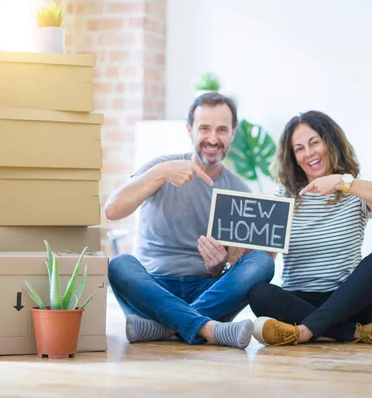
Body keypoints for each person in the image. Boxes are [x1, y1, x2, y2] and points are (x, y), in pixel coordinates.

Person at [104, 92, 275, 350]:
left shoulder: (239, 190)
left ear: (232, 133)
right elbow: (112, 210)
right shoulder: (161, 169)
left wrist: (219, 266)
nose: (213, 138)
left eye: (222, 129)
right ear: (189, 129)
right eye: (204, 128)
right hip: (154, 290)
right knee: (120, 264)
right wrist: (160, 173)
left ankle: (166, 328)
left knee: (262, 262)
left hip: (207, 291)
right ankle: (206, 328)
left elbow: (240, 265)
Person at [248, 110, 372, 346]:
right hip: (297, 300)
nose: (309, 153)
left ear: (329, 142)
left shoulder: (352, 190)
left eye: (314, 143)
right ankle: (355, 334)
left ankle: (301, 332)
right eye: (299, 148)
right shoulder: (283, 196)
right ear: (293, 157)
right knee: (258, 293)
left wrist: (342, 182)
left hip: (347, 302)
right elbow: (266, 260)